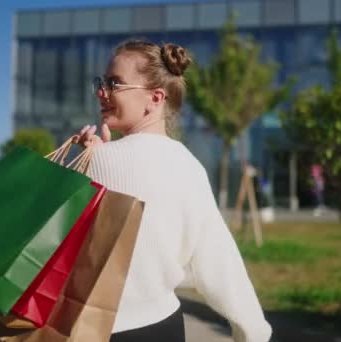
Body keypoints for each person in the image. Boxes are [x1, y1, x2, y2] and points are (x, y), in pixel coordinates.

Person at [73, 40, 271, 342]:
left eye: (114, 83)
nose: (102, 92)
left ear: (155, 97)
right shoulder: (190, 167)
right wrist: (253, 332)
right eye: (102, 83)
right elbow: (219, 261)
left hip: (91, 329)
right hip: (163, 326)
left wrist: (87, 159)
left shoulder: (94, 161)